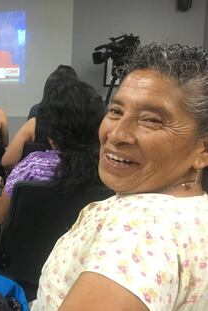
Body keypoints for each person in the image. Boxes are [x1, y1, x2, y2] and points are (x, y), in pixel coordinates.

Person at [32, 43, 208, 311]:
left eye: (151, 119)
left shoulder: (143, 229)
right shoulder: (192, 209)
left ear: (202, 150)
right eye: (115, 111)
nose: (116, 134)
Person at [0, 79, 105, 224]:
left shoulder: (32, 166)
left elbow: (0, 215)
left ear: (51, 136)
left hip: (30, 245)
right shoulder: (110, 170)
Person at [1, 65, 78, 170]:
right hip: (75, 182)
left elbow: (7, 162)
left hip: (35, 183)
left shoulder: (34, 121)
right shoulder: (84, 124)